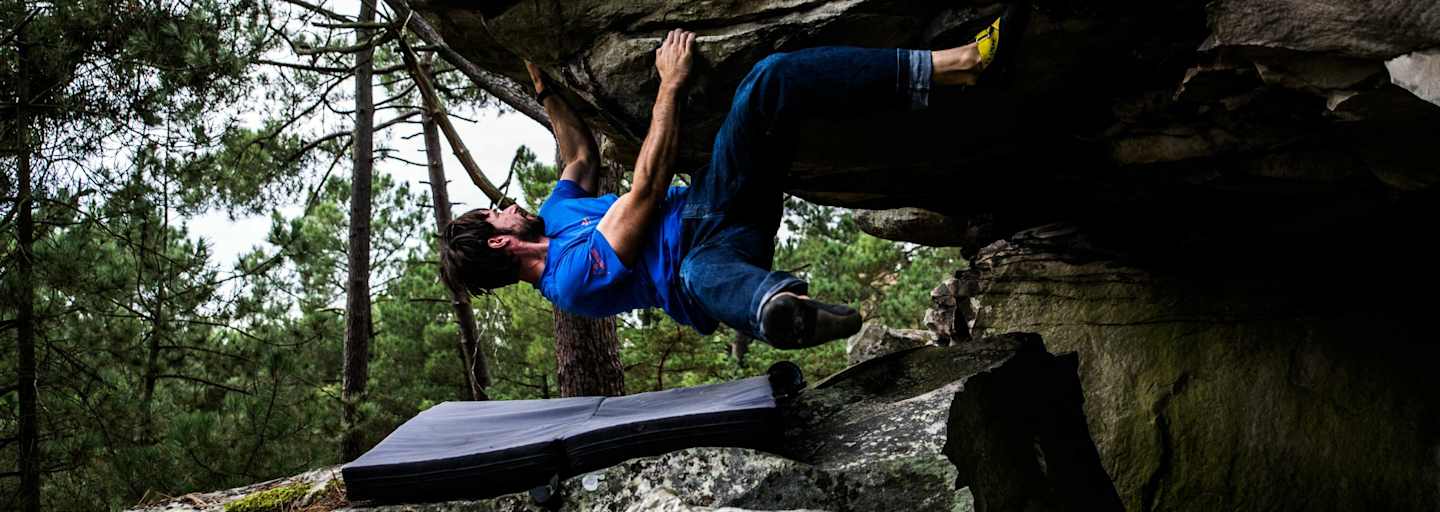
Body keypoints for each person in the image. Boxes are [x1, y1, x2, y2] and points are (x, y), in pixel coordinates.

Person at [440, 6, 1027, 349]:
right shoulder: (568, 283)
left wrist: (542, 86)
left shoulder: (560, 211)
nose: (509, 203)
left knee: (770, 80)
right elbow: (643, 192)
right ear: (501, 240)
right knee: (696, 274)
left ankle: (956, 66)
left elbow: (579, 156)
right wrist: (670, 83)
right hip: (712, 251)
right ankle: (779, 309)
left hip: (714, 199)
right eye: (498, 210)